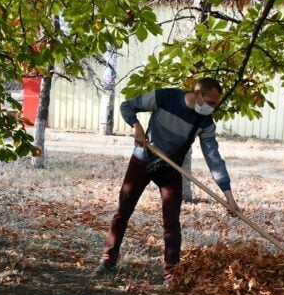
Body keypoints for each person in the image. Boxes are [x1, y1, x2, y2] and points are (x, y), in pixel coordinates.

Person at [94, 77, 240, 281]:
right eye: (211, 102)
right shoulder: (165, 97)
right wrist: (137, 126)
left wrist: (229, 197)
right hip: (143, 159)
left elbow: (213, 158)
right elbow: (127, 106)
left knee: (171, 223)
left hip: (170, 169)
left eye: (215, 104)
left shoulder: (204, 122)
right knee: (123, 211)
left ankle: (171, 272)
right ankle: (108, 259)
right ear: (197, 94)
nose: (212, 108)